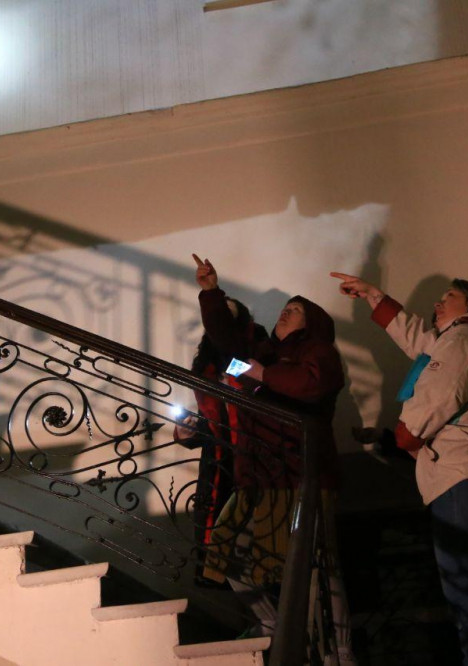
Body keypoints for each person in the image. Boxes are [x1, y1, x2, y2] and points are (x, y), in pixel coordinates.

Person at [330, 271, 468, 666]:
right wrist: (372, 295)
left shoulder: (463, 338)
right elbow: (418, 339)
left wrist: (405, 437)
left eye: (448, 296)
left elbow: (431, 402)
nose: (437, 303)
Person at [194, 255, 356, 665]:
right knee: (224, 549)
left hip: (299, 476)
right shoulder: (262, 352)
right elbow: (227, 343)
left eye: (296, 309)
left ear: (312, 322)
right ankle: (272, 624)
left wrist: (263, 375)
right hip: (258, 475)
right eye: (285, 307)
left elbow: (312, 384)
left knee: (317, 565)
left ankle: (339, 652)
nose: (286, 311)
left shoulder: (318, 350)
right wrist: (211, 293)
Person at [173, 297, 266, 588]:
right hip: (218, 459)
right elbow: (212, 420)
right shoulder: (208, 362)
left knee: (251, 533)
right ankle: (218, 581)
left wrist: (234, 375)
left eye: (226, 314)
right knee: (216, 527)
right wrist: (186, 431)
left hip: (256, 453)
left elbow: (267, 389)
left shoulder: (257, 343)